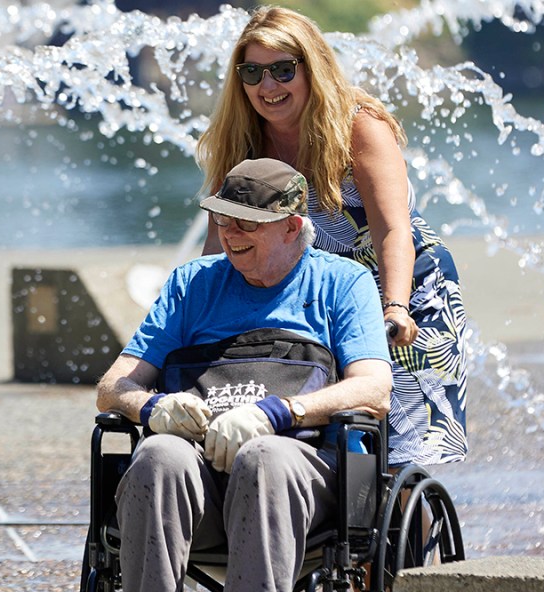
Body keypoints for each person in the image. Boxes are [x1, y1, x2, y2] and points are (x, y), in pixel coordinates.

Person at [61, 158, 391, 592]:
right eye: (223, 219)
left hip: (299, 481)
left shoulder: (342, 281)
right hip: (202, 483)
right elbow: (112, 385)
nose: (229, 233)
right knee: (158, 455)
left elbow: (374, 387)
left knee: (264, 457)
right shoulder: (194, 283)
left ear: (291, 225)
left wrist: (284, 411)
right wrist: (153, 405)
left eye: (246, 223)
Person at [194, 7, 467, 467]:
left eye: (283, 70)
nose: (268, 86)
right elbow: (219, 245)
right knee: (323, 445)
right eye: (253, 72)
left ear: (311, 67)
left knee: (397, 457)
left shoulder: (357, 126)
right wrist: (188, 317)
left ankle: (410, 527)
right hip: (323, 294)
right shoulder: (241, 140)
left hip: (402, 287)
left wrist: (395, 306)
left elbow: (394, 230)